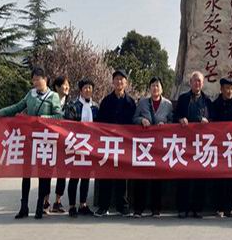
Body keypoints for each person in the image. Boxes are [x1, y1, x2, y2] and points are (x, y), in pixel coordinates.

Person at [0, 67, 63, 220]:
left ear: (45, 79)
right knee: (26, 174)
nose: (35, 82)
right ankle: (24, 206)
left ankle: (40, 206)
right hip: (29, 139)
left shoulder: (53, 96)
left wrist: (43, 118)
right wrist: (2, 112)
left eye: (38, 79)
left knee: (43, 175)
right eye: (33, 80)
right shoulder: (30, 94)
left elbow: (59, 116)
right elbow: (18, 107)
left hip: (44, 140)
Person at [95, 69, 136, 217]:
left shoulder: (131, 102)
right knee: (105, 174)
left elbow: (134, 123)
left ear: (126, 83)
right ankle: (103, 206)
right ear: (113, 82)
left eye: (121, 79)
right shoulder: (106, 101)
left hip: (124, 144)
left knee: (122, 176)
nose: (119, 82)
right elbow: (99, 122)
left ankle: (122, 206)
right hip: (108, 143)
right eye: (116, 79)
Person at [173, 71, 213, 218]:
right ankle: (182, 208)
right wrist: (180, 119)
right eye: (195, 81)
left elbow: (214, 118)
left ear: (203, 83)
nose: (197, 83)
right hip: (185, 144)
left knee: (200, 177)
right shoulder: (183, 98)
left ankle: (197, 208)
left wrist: (208, 121)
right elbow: (175, 115)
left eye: (199, 81)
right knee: (183, 177)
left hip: (201, 144)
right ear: (190, 83)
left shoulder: (207, 100)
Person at [132, 77, 173, 218]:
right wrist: (141, 120)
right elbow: (134, 118)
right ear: (149, 88)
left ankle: (156, 209)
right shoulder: (142, 103)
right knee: (141, 177)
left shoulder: (168, 104)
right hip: (145, 145)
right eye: (153, 85)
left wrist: (165, 125)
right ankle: (138, 209)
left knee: (157, 178)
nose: (155, 88)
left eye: (157, 85)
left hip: (160, 146)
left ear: (162, 88)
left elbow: (172, 121)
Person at [210, 77, 232, 218]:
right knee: (219, 178)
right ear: (221, 89)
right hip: (218, 146)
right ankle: (219, 207)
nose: (229, 91)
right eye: (226, 88)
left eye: (231, 88)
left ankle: (231, 207)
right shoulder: (215, 105)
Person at [66, 78, 98, 218]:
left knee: (86, 177)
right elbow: (68, 124)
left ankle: (83, 204)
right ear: (80, 90)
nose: (88, 90)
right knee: (74, 177)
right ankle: (72, 206)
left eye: (90, 88)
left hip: (90, 146)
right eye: (85, 88)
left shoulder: (95, 107)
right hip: (75, 145)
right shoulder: (73, 105)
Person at [44, 75, 72, 214]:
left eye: (68, 85)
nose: (67, 87)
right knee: (47, 171)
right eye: (64, 85)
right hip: (49, 140)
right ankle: (45, 201)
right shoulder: (48, 101)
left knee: (62, 172)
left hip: (64, 143)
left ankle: (58, 201)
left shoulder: (70, 104)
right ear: (56, 87)